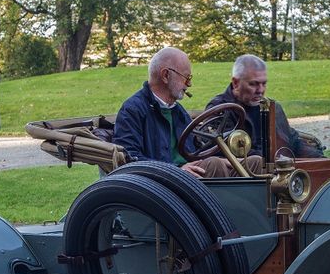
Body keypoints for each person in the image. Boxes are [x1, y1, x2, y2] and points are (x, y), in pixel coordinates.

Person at [113, 47, 263, 178]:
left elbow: (195, 150)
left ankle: (255, 210)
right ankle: (225, 211)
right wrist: (176, 169)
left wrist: (228, 160)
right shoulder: (133, 110)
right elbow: (129, 159)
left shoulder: (178, 111)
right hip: (161, 184)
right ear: (166, 75)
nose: (189, 84)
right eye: (186, 77)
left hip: (188, 176)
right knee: (214, 165)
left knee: (254, 162)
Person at [205, 54, 324, 159]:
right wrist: (275, 159)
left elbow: (293, 142)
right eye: (253, 84)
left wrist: (322, 160)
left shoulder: (273, 108)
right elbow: (226, 152)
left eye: (264, 83)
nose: (260, 90)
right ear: (236, 83)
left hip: (277, 172)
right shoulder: (220, 109)